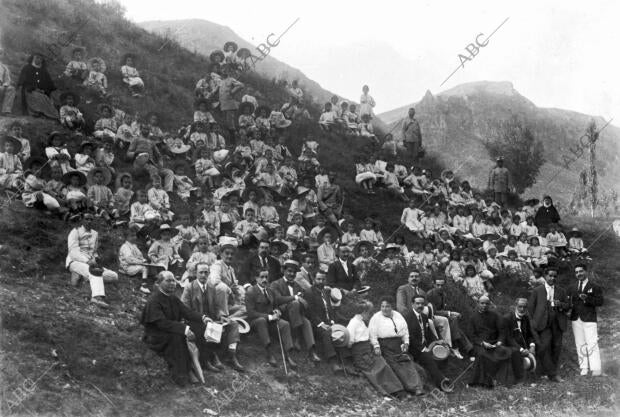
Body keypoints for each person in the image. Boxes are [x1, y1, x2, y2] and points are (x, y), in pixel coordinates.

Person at [140, 271, 213, 386]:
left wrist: (203, 318)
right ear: (159, 283)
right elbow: (161, 323)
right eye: (168, 280)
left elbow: (187, 312)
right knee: (178, 336)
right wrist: (184, 329)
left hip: (169, 329)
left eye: (173, 280)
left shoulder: (172, 298)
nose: (172, 283)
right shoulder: (154, 300)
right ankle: (181, 374)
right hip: (156, 335)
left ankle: (202, 362)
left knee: (199, 328)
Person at [181, 263, 245, 372]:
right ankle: (208, 358)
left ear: (209, 274)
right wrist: (203, 317)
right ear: (196, 273)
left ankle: (231, 355)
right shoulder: (189, 287)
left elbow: (216, 306)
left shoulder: (211, 287)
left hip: (211, 319)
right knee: (205, 328)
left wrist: (222, 315)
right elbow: (185, 310)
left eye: (206, 272)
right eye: (201, 272)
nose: (203, 275)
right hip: (195, 320)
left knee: (233, 324)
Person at [346, 301, 408, 398]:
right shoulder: (353, 323)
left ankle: (398, 391)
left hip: (367, 350)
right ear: (364, 312)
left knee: (383, 364)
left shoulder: (361, 322)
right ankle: (387, 392)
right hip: (360, 354)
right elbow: (349, 341)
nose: (370, 316)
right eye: (369, 313)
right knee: (376, 369)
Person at [368, 297, 424, 396]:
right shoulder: (376, 318)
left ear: (392, 307)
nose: (384, 309)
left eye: (387, 306)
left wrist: (406, 343)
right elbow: (372, 334)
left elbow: (405, 331)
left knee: (407, 363)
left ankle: (417, 388)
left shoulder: (398, 316)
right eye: (382, 306)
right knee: (396, 365)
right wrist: (376, 346)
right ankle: (405, 389)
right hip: (385, 346)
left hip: (398, 345)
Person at [245, 269, 297, 368]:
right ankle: (269, 352)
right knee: (261, 321)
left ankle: (288, 354)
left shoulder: (270, 290)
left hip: (270, 321)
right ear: (256, 278)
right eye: (262, 277)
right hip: (255, 322)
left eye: (266, 277)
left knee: (285, 324)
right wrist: (269, 316)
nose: (265, 279)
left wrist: (277, 311)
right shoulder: (251, 292)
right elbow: (251, 313)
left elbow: (275, 305)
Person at [66, 213, 118, 307]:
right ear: (82, 220)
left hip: (91, 263)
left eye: (91, 219)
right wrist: (87, 261)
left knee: (114, 276)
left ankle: (82, 277)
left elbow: (94, 251)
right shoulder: (75, 232)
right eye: (86, 219)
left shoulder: (95, 233)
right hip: (75, 261)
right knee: (95, 271)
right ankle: (96, 297)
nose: (89, 221)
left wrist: (96, 259)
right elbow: (73, 252)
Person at [270, 260, 318, 360]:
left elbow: (304, 302)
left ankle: (312, 350)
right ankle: (296, 337)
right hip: (282, 314)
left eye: (294, 272)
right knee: (295, 303)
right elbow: (278, 300)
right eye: (289, 271)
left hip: (297, 314)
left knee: (307, 322)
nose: (292, 274)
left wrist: (301, 301)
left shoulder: (298, 286)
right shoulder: (275, 284)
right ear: (284, 271)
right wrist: (295, 297)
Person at [528, 267, 569, 382]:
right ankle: (551, 373)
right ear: (545, 276)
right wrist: (532, 323)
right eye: (550, 275)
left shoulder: (561, 291)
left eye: (555, 276)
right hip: (543, 324)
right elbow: (530, 309)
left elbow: (567, 306)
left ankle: (550, 372)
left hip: (557, 323)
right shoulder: (537, 290)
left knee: (556, 347)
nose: (552, 278)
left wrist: (560, 304)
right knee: (544, 347)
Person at [469, 295, 521, 387]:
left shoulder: (495, 315)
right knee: (483, 355)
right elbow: (472, 336)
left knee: (506, 352)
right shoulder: (473, 317)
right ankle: (483, 382)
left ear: (489, 304)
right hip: (480, 345)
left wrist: (500, 341)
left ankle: (502, 381)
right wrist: (482, 343)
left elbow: (502, 331)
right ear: (478, 304)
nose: (484, 305)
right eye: (482, 303)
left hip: (494, 343)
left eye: (486, 303)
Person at [403, 295, 452, 390]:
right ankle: (441, 383)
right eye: (417, 303)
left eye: (422, 303)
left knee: (444, 353)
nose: (420, 305)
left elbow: (428, 333)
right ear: (412, 304)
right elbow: (410, 337)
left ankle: (442, 375)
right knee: (428, 358)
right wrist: (423, 348)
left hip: (425, 345)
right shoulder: (407, 318)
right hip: (414, 348)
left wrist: (437, 341)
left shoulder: (424, 316)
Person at [568, 264, 603, 376]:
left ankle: (596, 368)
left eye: (581, 271)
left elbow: (600, 302)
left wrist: (587, 298)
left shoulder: (594, 286)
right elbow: (570, 302)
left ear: (586, 272)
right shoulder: (573, 287)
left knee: (592, 343)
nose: (579, 274)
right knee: (580, 343)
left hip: (589, 318)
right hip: (576, 318)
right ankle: (584, 367)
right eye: (577, 272)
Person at [303, 269, 342, 369]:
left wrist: (332, 322)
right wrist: (321, 324)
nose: (321, 281)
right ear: (314, 280)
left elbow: (330, 309)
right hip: (315, 324)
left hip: (328, 321)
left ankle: (345, 359)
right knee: (326, 333)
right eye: (318, 279)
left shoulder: (325, 292)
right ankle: (333, 361)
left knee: (342, 330)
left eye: (323, 279)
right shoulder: (309, 292)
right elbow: (310, 312)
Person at [426, 277, 472, 358]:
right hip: (432, 315)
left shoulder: (443, 294)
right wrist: (450, 313)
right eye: (438, 285)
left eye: (442, 285)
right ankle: (458, 347)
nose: (440, 287)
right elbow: (433, 311)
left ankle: (463, 347)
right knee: (453, 319)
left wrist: (450, 313)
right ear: (434, 285)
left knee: (454, 324)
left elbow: (443, 308)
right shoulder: (430, 294)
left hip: (440, 315)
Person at [127, 125, 175, 192]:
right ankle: (159, 192)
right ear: (141, 129)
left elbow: (159, 156)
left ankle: (168, 191)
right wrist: (136, 154)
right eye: (144, 129)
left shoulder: (152, 142)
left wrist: (160, 164)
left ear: (149, 131)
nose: (146, 131)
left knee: (169, 172)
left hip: (151, 164)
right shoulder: (136, 140)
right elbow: (128, 153)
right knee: (153, 170)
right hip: (139, 164)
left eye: (147, 129)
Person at [503, 297, 537, 383]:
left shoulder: (526, 318)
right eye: (520, 306)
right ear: (515, 306)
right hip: (510, 345)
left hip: (523, 344)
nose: (522, 309)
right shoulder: (507, 318)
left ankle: (534, 374)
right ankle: (519, 379)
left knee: (540, 346)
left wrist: (532, 346)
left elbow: (529, 335)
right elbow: (508, 338)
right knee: (515, 352)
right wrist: (521, 349)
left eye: (524, 307)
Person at [208, 244, 245, 319]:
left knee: (245, 309)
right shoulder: (217, 265)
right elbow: (215, 281)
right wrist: (230, 290)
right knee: (222, 287)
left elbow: (235, 286)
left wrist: (240, 293)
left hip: (227, 303)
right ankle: (222, 315)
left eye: (232, 254)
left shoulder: (231, 269)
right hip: (215, 303)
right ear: (221, 254)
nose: (229, 256)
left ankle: (228, 319)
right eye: (227, 253)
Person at [17, 53, 57, 119]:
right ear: (33, 58)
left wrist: (44, 90)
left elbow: (49, 83)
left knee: (45, 98)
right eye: (37, 58)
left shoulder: (44, 70)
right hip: (29, 90)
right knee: (37, 96)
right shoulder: (27, 68)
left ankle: (47, 114)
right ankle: (36, 112)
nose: (38, 60)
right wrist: (34, 88)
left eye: (40, 58)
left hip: (42, 92)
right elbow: (23, 81)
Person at [118, 227, 151, 294]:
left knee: (149, 267)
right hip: (127, 267)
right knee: (144, 268)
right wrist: (141, 262)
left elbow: (139, 256)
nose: (134, 237)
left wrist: (143, 260)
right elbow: (129, 260)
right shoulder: (125, 247)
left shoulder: (134, 246)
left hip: (134, 264)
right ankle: (143, 286)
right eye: (132, 236)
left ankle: (154, 279)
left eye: (135, 235)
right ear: (126, 237)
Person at [0, 48, 16, 115]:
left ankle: (6, 111)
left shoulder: (4, 67)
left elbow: (7, 79)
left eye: (0, 54)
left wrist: (4, 85)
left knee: (11, 89)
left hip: (1, 86)